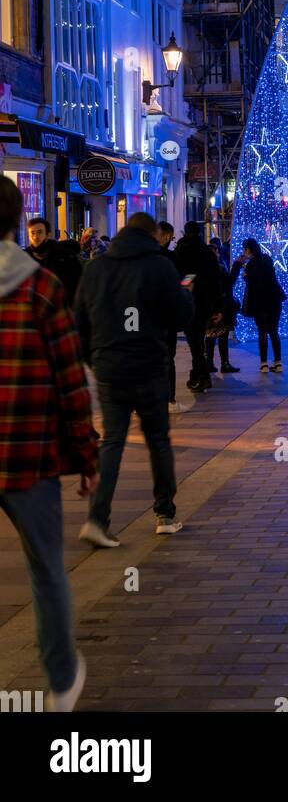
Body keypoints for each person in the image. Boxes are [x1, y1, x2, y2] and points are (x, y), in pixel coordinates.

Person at [0, 178, 99, 712]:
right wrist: (86, 454)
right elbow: (70, 380)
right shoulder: (42, 289)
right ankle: (61, 682)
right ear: (20, 222)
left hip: (28, 453)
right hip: (28, 454)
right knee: (45, 568)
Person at [74, 212, 195, 546]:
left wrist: (94, 359)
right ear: (153, 234)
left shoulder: (96, 268)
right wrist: (186, 293)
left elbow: (79, 321)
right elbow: (182, 315)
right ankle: (165, 514)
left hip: (110, 367)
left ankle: (97, 519)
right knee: (157, 439)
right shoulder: (159, 266)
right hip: (148, 364)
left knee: (112, 441)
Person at [172, 222, 224, 392]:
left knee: (193, 340)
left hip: (188, 301)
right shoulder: (207, 253)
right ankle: (196, 374)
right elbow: (216, 281)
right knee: (197, 339)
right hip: (205, 302)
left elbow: (182, 276)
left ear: (184, 232)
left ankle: (202, 375)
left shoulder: (180, 251)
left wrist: (186, 284)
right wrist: (217, 306)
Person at [231, 238, 286, 371]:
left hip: (259, 302)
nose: (244, 252)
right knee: (274, 331)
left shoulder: (250, 265)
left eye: (245, 249)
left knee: (262, 332)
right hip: (274, 300)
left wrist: (244, 274)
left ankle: (264, 364)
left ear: (248, 249)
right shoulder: (267, 260)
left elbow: (251, 284)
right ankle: (278, 363)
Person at [154, 222, 185, 413]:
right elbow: (186, 279)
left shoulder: (143, 257)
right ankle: (169, 399)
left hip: (143, 316)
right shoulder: (172, 257)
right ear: (167, 236)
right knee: (168, 358)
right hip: (167, 315)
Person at [25, 217, 83, 304]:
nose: (35, 237)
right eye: (32, 233)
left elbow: (77, 288)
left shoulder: (65, 257)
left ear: (48, 234)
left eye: (39, 232)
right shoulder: (24, 259)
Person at [205, 239, 240, 374]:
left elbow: (186, 284)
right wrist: (237, 265)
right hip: (220, 306)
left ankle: (209, 362)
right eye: (216, 252)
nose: (218, 254)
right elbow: (229, 282)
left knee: (209, 335)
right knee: (222, 335)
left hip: (207, 307)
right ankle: (224, 363)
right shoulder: (218, 268)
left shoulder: (200, 269)